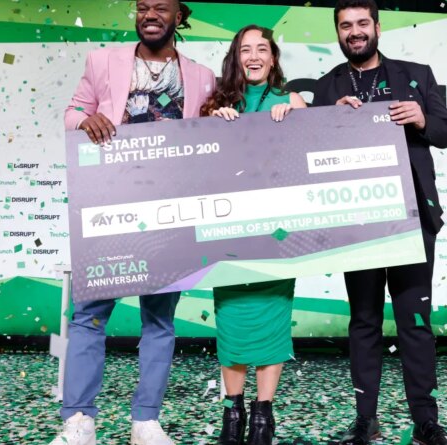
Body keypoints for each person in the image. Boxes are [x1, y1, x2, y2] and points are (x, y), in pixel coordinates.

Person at [50, 1, 215, 444]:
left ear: (179, 16)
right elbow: (70, 114)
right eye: (143, 7)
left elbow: (211, 136)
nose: (150, 14)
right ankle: (79, 421)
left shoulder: (201, 75)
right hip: (110, 203)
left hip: (170, 213)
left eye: (161, 7)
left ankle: (146, 421)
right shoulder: (103, 61)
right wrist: (87, 119)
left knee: (159, 320)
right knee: (89, 317)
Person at [312, 1, 447, 444]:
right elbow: (307, 153)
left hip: (413, 217)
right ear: (338, 33)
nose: (354, 32)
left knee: (415, 321)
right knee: (363, 322)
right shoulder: (325, 87)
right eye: (345, 26)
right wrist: (329, 122)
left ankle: (425, 421)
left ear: (377, 27)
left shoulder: (416, 73)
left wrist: (421, 119)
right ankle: (366, 419)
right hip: (357, 222)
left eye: (361, 24)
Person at [199, 25, 307, 445]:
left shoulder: (292, 100)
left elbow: (319, 149)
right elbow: (196, 168)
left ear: (274, 57)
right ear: (236, 58)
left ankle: (264, 414)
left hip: (277, 235)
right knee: (232, 322)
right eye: (246, 49)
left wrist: (298, 121)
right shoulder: (216, 106)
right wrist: (213, 126)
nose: (255, 55)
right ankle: (232, 411)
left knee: (272, 320)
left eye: (263, 48)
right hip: (229, 233)